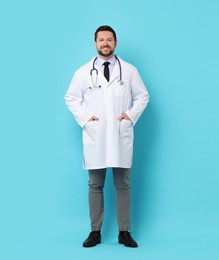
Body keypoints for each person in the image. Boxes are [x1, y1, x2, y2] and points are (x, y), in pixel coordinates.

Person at [65, 25, 149, 248]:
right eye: (101, 40)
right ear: (95, 43)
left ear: (115, 43)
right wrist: (85, 118)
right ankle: (95, 232)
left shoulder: (129, 71)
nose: (105, 43)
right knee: (95, 184)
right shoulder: (83, 72)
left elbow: (143, 97)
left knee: (123, 184)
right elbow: (71, 98)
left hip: (120, 134)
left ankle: (124, 232)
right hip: (97, 135)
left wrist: (130, 116)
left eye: (109, 40)